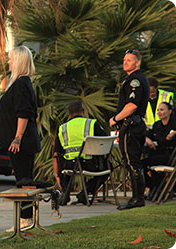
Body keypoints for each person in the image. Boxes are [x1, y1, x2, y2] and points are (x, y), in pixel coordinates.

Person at [0, 45, 41, 232]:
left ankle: (25, 220)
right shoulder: (21, 83)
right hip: (22, 142)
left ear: (19, 62)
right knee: (23, 180)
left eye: (12, 59)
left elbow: (23, 113)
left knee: (24, 181)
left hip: (22, 143)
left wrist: (17, 138)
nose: (9, 62)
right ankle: (25, 219)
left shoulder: (21, 84)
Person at [109, 49, 149, 210]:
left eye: (129, 60)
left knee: (132, 162)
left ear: (137, 62)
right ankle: (137, 198)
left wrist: (115, 119)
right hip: (133, 125)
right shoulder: (133, 79)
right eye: (124, 60)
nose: (125, 62)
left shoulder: (136, 81)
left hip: (132, 125)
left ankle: (137, 199)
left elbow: (132, 106)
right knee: (131, 161)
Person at [53, 101, 108, 205]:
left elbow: (57, 153)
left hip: (69, 165)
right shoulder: (92, 124)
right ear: (83, 111)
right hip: (90, 164)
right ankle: (86, 192)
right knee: (108, 168)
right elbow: (104, 142)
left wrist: (57, 175)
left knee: (65, 164)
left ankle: (65, 192)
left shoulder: (62, 128)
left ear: (69, 114)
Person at [143, 102, 176, 198]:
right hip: (156, 153)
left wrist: (173, 134)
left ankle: (156, 190)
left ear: (169, 111)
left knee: (151, 163)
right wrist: (148, 140)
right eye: (158, 110)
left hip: (169, 156)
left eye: (162, 110)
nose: (159, 112)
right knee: (140, 164)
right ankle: (150, 187)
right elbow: (147, 135)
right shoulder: (157, 125)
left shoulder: (173, 124)